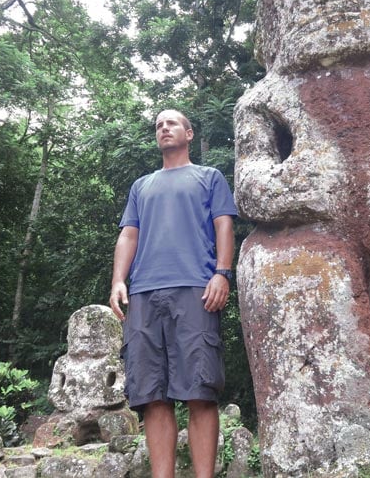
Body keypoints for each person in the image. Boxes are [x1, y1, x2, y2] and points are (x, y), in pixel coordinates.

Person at [109, 109, 237, 478]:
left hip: (195, 290)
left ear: (189, 133)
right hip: (144, 295)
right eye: (158, 125)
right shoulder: (141, 186)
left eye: (172, 123)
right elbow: (128, 235)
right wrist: (119, 280)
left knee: (200, 389)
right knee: (151, 396)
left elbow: (223, 224)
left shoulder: (208, 177)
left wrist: (222, 274)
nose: (164, 128)